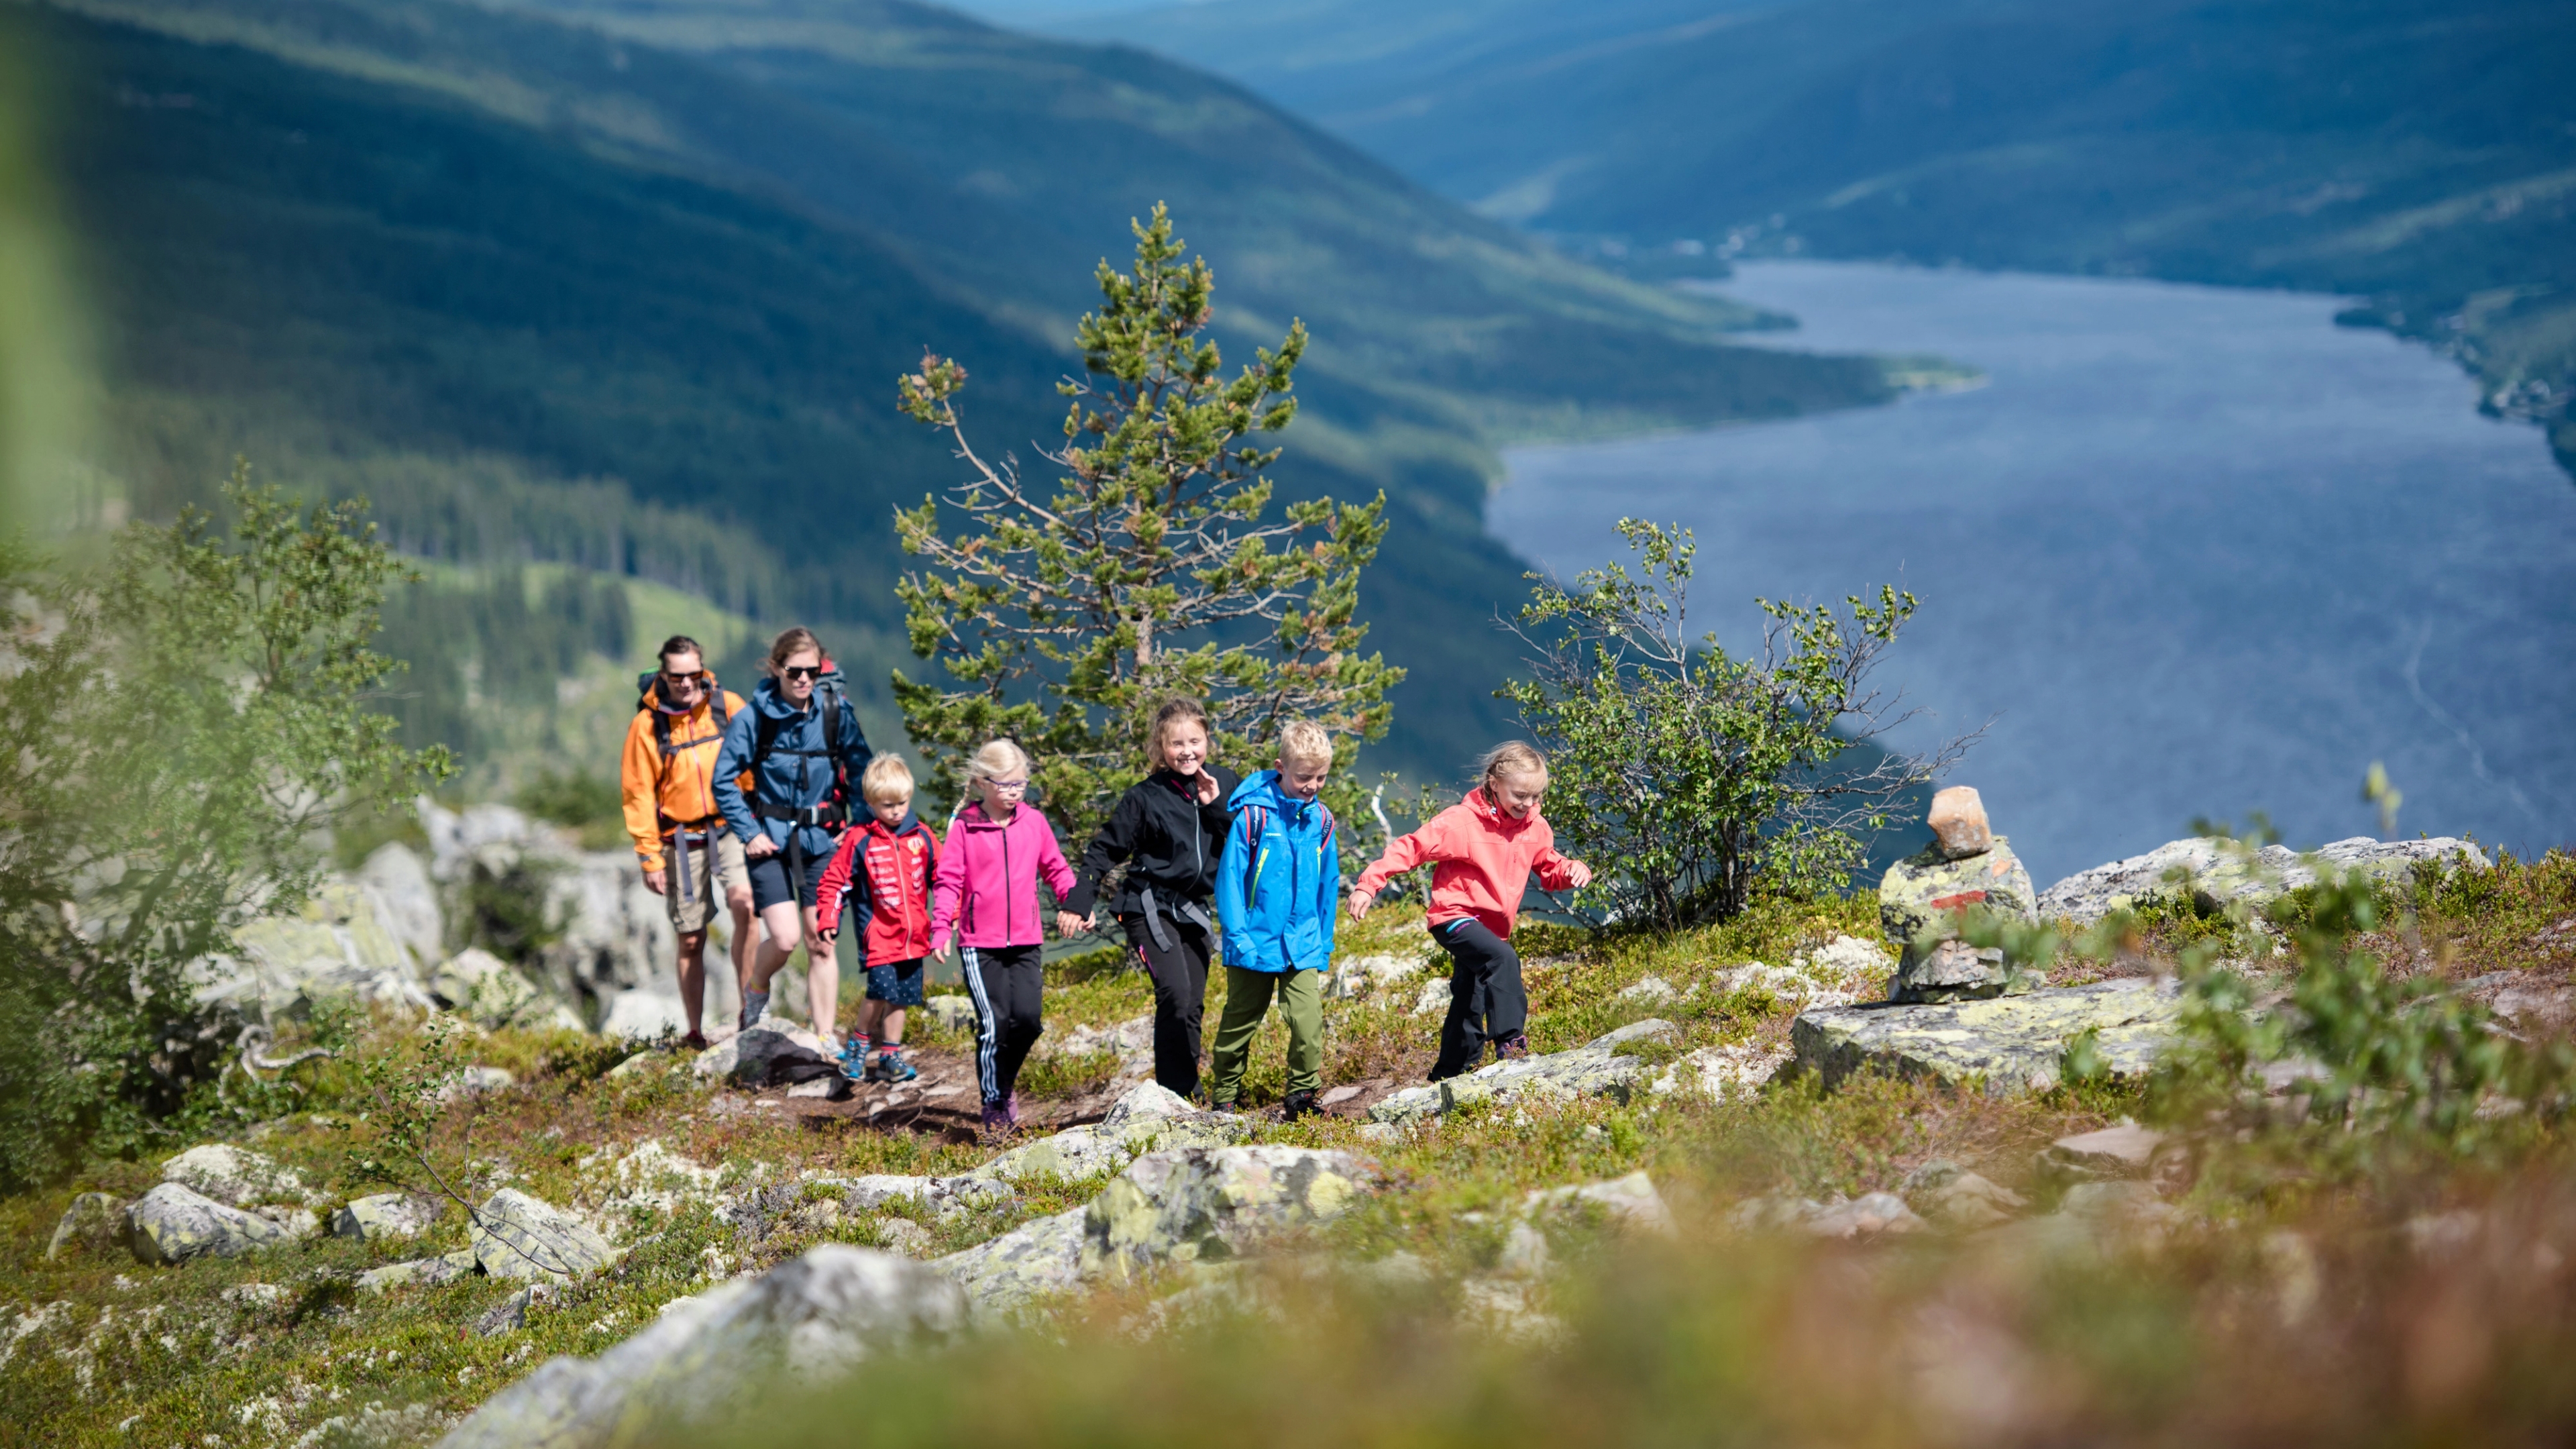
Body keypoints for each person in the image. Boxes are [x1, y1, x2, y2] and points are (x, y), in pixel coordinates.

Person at [1348, 741, 1594, 1081]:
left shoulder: (1535, 828)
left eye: (1536, 796)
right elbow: (1412, 847)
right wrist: (1369, 884)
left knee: (1470, 995)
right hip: (1453, 917)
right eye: (1520, 795)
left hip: (1492, 929)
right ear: (1495, 784)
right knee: (1502, 959)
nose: (1528, 804)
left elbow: (1549, 869)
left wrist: (1571, 869)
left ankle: (1449, 1072)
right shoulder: (1463, 822)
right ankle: (1511, 1044)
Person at [1064, 697, 1241, 1101]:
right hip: (1146, 905)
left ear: (1208, 741)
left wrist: (1215, 806)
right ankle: (1174, 1094)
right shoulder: (1144, 797)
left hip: (1193, 908)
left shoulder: (1226, 782)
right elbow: (1103, 851)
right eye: (1176, 744)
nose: (1187, 752)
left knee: (1192, 1003)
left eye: (1195, 741)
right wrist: (1079, 901)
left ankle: (1186, 1095)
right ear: (1161, 747)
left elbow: (1246, 840)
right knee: (1175, 994)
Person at [712, 628, 872, 1049]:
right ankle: (757, 989)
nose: (804, 679)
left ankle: (824, 1037)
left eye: (812, 671)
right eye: (794, 671)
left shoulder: (836, 713)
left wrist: (858, 825)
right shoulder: (755, 718)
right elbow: (723, 780)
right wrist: (748, 832)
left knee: (822, 941)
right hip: (769, 841)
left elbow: (861, 772)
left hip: (822, 840)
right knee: (784, 939)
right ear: (776, 668)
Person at [929, 738, 1080, 1140]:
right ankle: (994, 1103)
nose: (1015, 792)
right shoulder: (965, 827)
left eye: (1021, 784)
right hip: (980, 944)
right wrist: (941, 927)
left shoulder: (1034, 822)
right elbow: (948, 881)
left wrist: (1076, 903)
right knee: (994, 1025)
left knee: (1028, 1022)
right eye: (1006, 785)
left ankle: (1004, 1083)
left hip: (1026, 940)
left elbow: (1056, 869)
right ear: (982, 782)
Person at [618, 635, 755, 1050]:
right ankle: (695, 1031)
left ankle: (751, 1011)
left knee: (746, 905)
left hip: (732, 826)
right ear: (663, 675)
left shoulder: (727, 706)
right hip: (680, 840)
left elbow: (756, 759)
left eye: (693, 674)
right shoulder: (647, 725)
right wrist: (649, 857)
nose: (686, 683)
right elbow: (638, 793)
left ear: (702, 668)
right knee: (691, 937)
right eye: (677, 676)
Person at [1208, 720, 1342, 1120]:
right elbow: (1230, 881)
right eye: (1304, 777)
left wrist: (1324, 941)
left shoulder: (1322, 821)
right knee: (1239, 1024)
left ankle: (1302, 1097)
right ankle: (1225, 1097)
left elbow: (1328, 884)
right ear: (1281, 767)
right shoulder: (1253, 818)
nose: (1313, 785)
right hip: (1253, 941)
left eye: (1321, 777)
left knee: (1308, 1023)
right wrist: (1238, 937)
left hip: (1303, 941)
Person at [814, 755, 941, 1083]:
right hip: (879, 936)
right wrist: (828, 919)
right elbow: (835, 882)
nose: (896, 811)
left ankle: (890, 1056)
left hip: (915, 937)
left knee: (903, 997)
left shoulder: (923, 837)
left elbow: (943, 878)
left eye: (902, 803)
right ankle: (859, 1044)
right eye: (887, 805)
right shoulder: (860, 840)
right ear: (870, 803)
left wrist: (949, 917)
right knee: (880, 990)